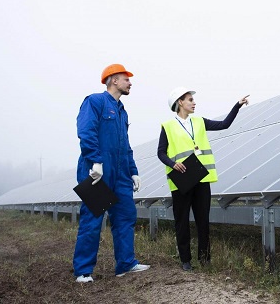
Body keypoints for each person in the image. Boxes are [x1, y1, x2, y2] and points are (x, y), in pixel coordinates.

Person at [73, 64, 150, 283]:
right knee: (93, 219)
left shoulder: (122, 110)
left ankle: (125, 264)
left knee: (126, 217)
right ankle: (83, 271)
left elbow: (125, 145)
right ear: (114, 80)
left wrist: (133, 171)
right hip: (97, 173)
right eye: (126, 79)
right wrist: (95, 160)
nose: (130, 82)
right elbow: (86, 131)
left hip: (121, 175)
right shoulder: (95, 102)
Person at [157, 87, 249, 271]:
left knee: (203, 221)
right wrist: (173, 163)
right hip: (181, 180)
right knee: (182, 221)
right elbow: (160, 152)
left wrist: (236, 106)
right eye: (190, 99)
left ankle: (205, 259)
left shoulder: (199, 121)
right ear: (180, 102)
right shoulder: (168, 126)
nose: (194, 102)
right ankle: (185, 260)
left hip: (201, 178)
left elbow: (224, 124)